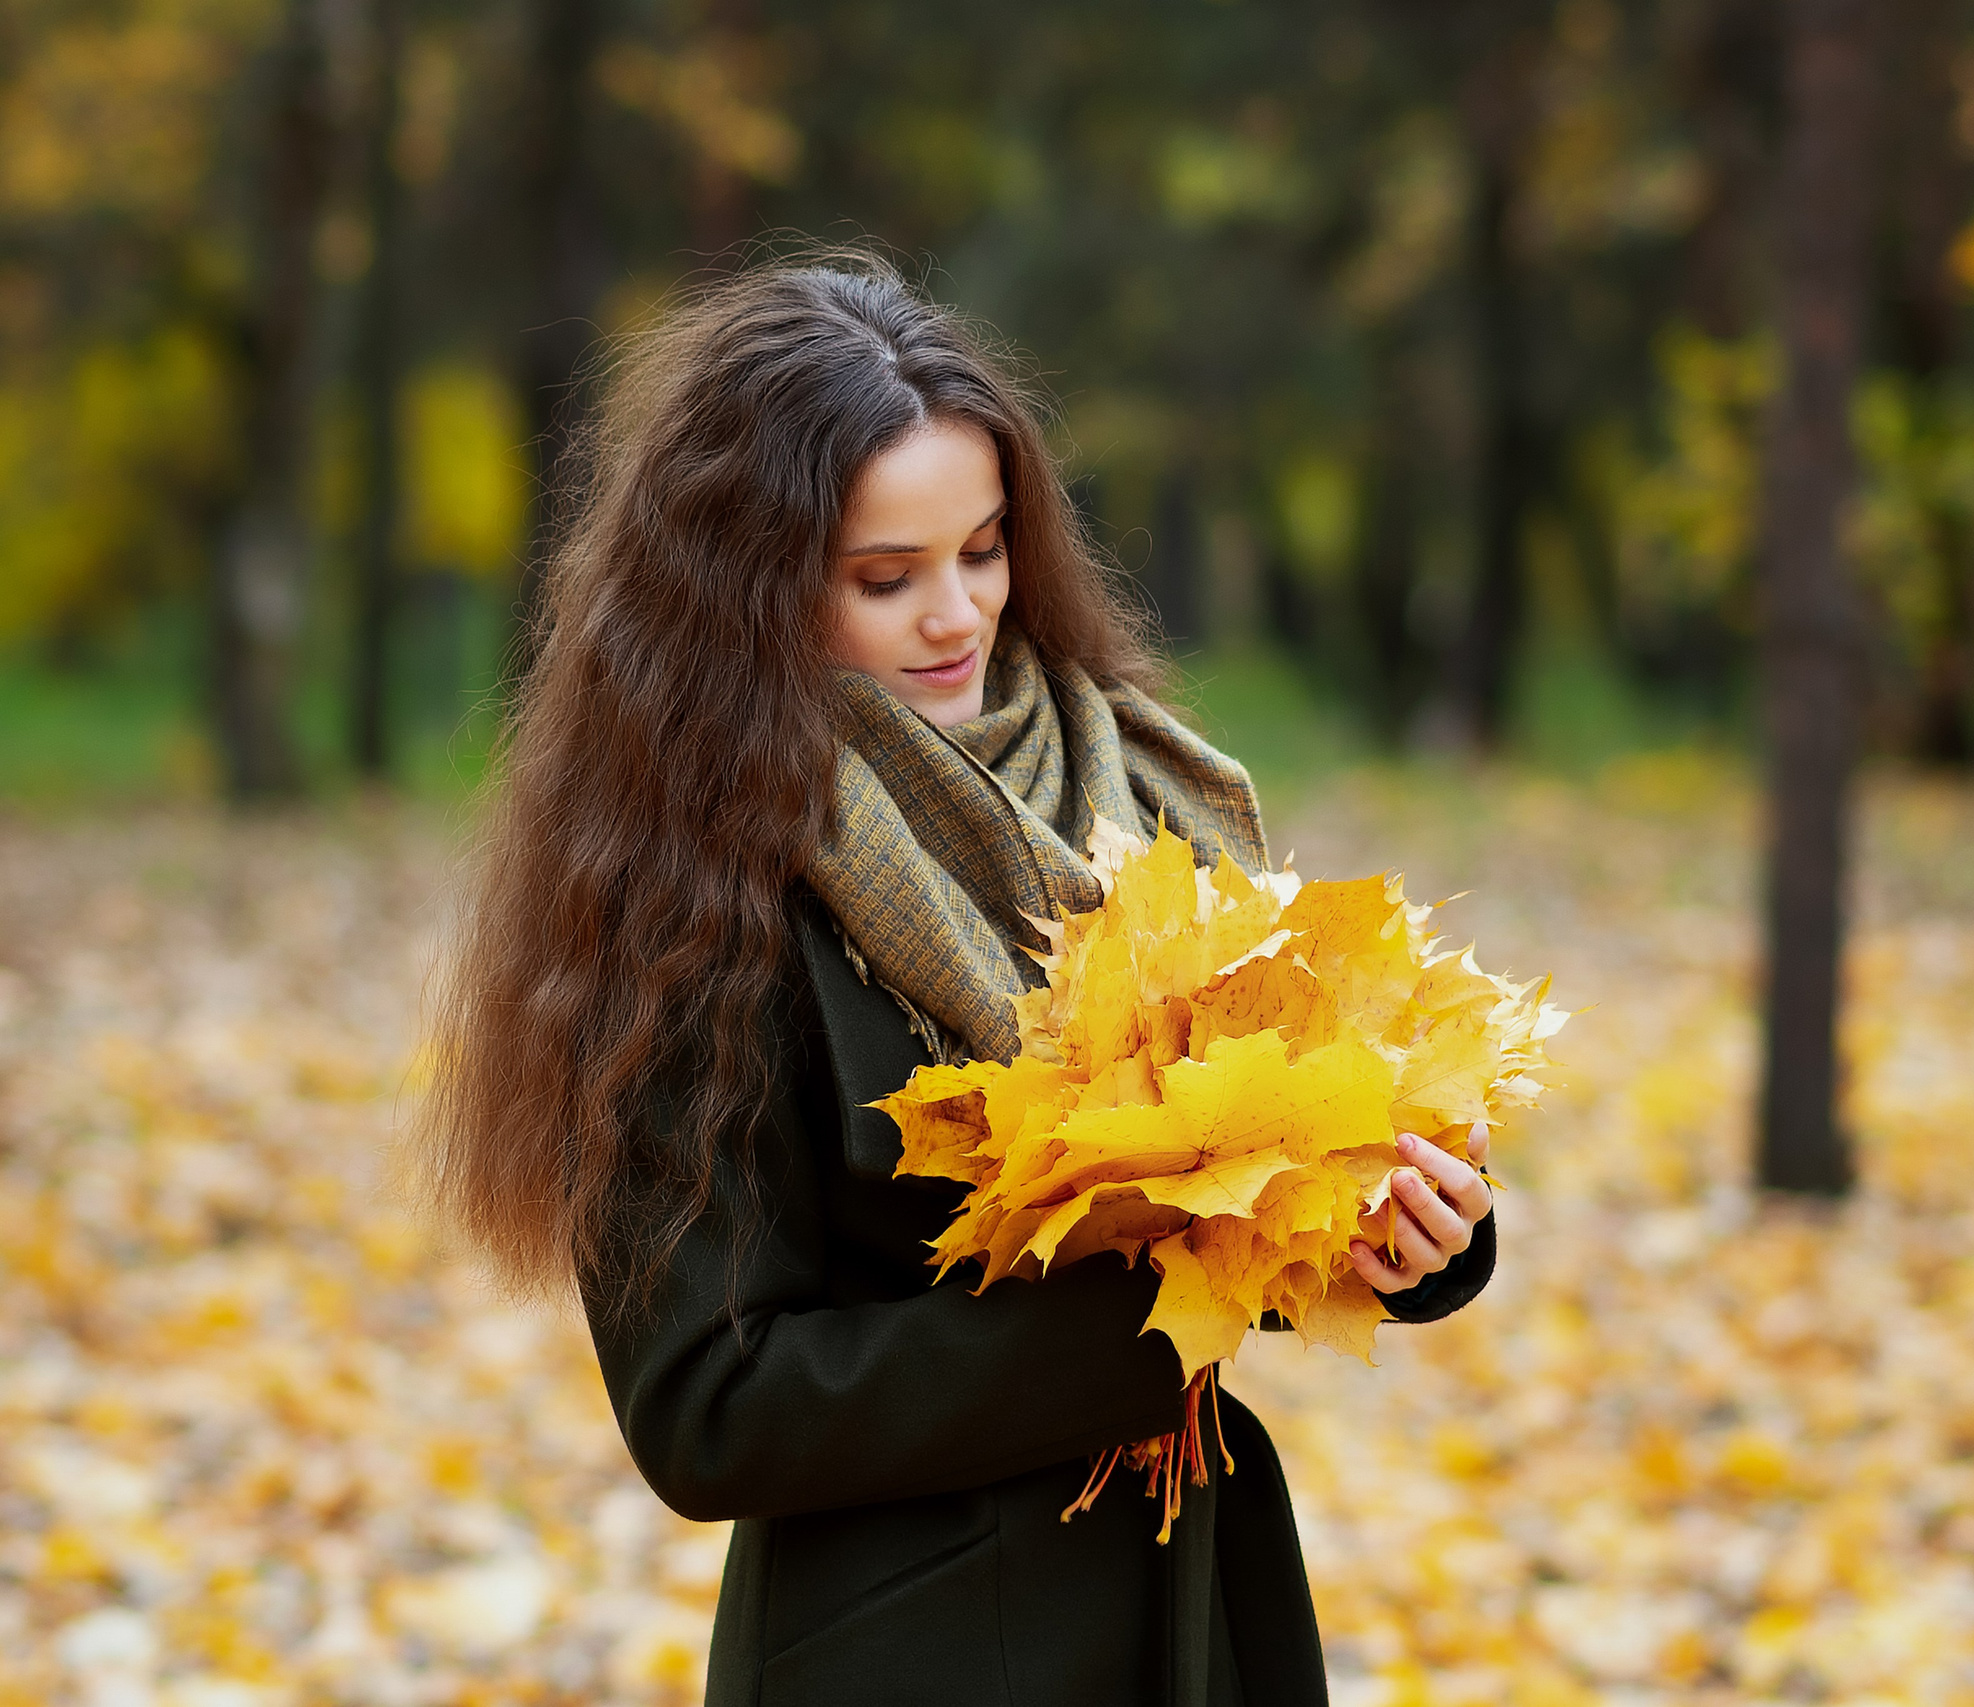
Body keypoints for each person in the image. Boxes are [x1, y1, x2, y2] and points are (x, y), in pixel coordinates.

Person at [416, 254, 1497, 1707]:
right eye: (887, 578)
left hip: (1196, 1618)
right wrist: (1155, 1318)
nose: (958, 616)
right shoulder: (687, 899)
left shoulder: (1137, 794)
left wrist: (1411, 1230)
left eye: (984, 552)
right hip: (910, 1651)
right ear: (747, 593)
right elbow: (708, 1414)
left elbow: (1271, 1166)